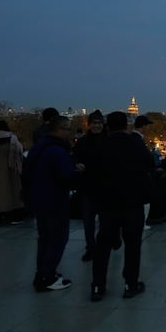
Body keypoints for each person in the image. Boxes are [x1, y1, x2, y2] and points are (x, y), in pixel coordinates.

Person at [91, 111, 153, 301]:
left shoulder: (100, 144)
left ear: (107, 126)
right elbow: (149, 164)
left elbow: (93, 172)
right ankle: (130, 284)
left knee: (102, 247)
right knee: (132, 245)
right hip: (131, 202)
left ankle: (97, 286)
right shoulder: (135, 143)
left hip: (107, 203)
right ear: (126, 126)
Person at [27, 115, 82, 292]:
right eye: (67, 129)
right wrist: (78, 173)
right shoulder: (57, 151)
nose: (69, 132)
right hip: (55, 200)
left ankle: (42, 273)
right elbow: (66, 177)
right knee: (57, 239)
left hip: (39, 198)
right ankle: (48, 276)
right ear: (59, 130)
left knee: (44, 239)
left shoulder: (39, 147)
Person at [72, 109, 107, 262]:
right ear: (89, 124)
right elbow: (74, 158)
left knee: (103, 221)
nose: (97, 126)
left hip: (102, 186)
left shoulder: (104, 141)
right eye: (94, 123)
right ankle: (91, 247)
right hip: (89, 187)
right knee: (89, 222)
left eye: (99, 123)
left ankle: (98, 246)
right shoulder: (85, 142)